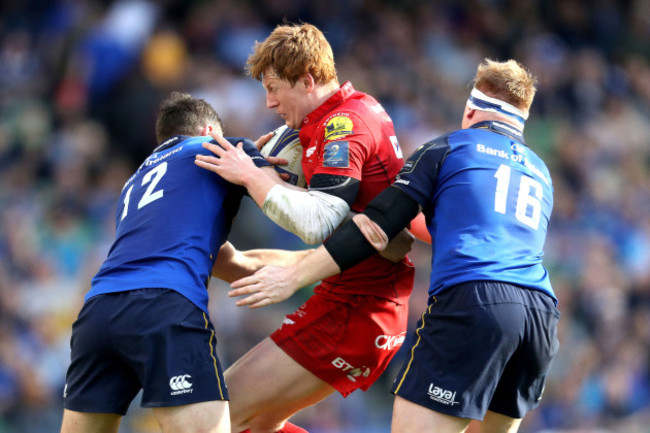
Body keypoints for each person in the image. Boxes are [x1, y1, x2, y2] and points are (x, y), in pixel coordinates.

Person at [229, 59, 560, 433]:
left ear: (470, 109)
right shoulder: (539, 171)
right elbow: (448, 227)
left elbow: (377, 228)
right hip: (540, 317)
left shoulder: (447, 148)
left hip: (475, 301)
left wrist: (292, 277)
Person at [194, 23, 415, 433]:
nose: (270, 102)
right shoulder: (339, 115)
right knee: (257, 426)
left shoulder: (343, 126)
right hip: (354, 293)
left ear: (308, 79)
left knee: (219, 415)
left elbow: (317, 223)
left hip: (359, 307)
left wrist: (252, 176)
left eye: (275, 88)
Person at [60, 92, 313, 433]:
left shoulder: (134, 185)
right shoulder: (220, 148)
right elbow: (300, 210)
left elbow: (232, 262)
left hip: (97, 314)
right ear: (211, 130)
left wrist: (313, 265)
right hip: (162, 306)